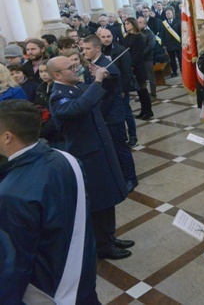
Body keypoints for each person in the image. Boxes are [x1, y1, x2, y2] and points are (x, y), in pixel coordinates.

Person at [0, 100, 100, 304]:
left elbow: (15, 263)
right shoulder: (68, 159)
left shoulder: (11, 193)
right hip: (83, 271)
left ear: (8, 137)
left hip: (49, 290)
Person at [48, 56, 133, 260]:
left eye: (75, 66)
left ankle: (109, 237)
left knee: (108, 197)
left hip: (100, 149)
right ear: (57, 75)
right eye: (70, 68)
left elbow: (104, 94)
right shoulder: (58, 96)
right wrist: (95, 81)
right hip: (87, 155)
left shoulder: (76, 86)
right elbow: (79, 108)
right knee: (98, 201)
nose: (76, 70)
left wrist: (107, 76)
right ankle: (103, 246)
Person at [82, 35, 138, 193]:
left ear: (97, 49)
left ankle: (130, 179)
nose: (84, 51)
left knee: (120, 149)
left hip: (112, 117)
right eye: (83, 48)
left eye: (87, 48)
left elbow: (108, 97)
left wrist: (96, 113)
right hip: (104, 115)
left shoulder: (108, 67)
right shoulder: (93, 65)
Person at [98, 27, 138, 148]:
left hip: (121, 88)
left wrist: (123, 90)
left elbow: (127, 73)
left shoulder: (121, 51)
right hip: (107, 90)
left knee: (126, 113)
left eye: (108, 36)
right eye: (103, 37)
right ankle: (122, 136)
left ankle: (132, 136)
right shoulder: (100, 52)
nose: (106, 39)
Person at [122, 17, 154, 120]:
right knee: (139, 92)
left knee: (143, 90)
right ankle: (143, 110)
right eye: (125, 24)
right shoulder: (127, 36)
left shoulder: (139, 37)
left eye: (128, 24)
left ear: (133, 24)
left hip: (138, 67)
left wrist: (131, 65)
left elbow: (137, 54)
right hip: (131, 66)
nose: (126, 25)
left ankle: (148, 111)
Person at [137, 16, 158, 100]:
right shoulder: (136, 33)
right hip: (139, 60)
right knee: (141, 78)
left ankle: (153, 94)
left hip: (147, 58)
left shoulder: (149, 33)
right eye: (137, 22)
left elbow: (151, 46)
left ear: (145, 24)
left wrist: (141, 54)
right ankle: (143, 95)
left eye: (140, 22)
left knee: (150, 77)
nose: (138, 24)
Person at [160, 6, 182, 77]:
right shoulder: (164, 24)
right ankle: (174, 71)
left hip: (178, 43)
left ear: (173, 13)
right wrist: (163, 44)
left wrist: (182, 42)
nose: (167, 15)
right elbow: (162, 34)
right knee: (172, 60)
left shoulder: (178, 21)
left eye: (169, 13)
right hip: (169, 45)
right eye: (166, 14)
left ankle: (182, 71)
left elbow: (181, 33)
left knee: (180, 58)